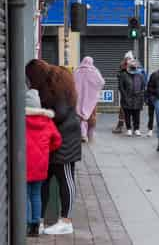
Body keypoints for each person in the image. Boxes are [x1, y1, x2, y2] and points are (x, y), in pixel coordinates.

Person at [26, 60, 82, 235]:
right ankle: (40, 221)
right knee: (44, 181)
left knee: (65, 178)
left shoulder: (56, 83)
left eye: (29, 78)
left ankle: (66, 221)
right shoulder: (56, 78)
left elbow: (61, 112)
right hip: (53, 139)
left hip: (65, 140)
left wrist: (40, 114)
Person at [25, 89, 62, 237]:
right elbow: (57, 140)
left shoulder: (20, 120)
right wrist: (46, 149)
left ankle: (26, 224)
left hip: (24, 165)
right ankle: (35, 224)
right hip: (41, 165)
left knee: (25, 194)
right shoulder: (47, 121)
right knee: (36, 194)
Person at [73, 57, 105, 142]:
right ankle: (89, 134)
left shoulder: (76, 71)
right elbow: (101, 82)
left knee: (79, 115)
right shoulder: (94, 71)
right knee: (91, 116)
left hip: (78, 98)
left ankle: (81, 134)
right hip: (91, 100)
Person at [119, 59, 146, 136]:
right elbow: (121, 87)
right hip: (127, 98)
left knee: (136, 114)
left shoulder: (140, 75)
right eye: (132, 66)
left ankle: (137, 129)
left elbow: (143, 86)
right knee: (127, 114)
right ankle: (129, 129)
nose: (133, 67)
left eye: (135, 65)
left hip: (137, 98)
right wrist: (125, 96)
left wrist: (141, 95)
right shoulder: (123, 75)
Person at [112, 52, 134, 133]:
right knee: (123, 108)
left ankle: (131, 125)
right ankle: (120, 126)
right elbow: (119, 75)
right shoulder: (122, 66)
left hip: (133, 91)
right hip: (124, 90)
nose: (129, 60)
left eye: (130, 58)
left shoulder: (135, 65)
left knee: (133, 108)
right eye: (127, 58)